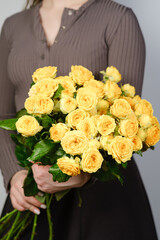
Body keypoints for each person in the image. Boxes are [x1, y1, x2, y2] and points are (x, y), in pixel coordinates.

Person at [0, 0, 158, 239]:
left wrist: (82, 175)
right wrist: (16, 175)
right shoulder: (13, 26)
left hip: (104, 207)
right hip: (30, 198)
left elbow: (128, 120)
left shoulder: (118, 19)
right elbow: (4, 116)